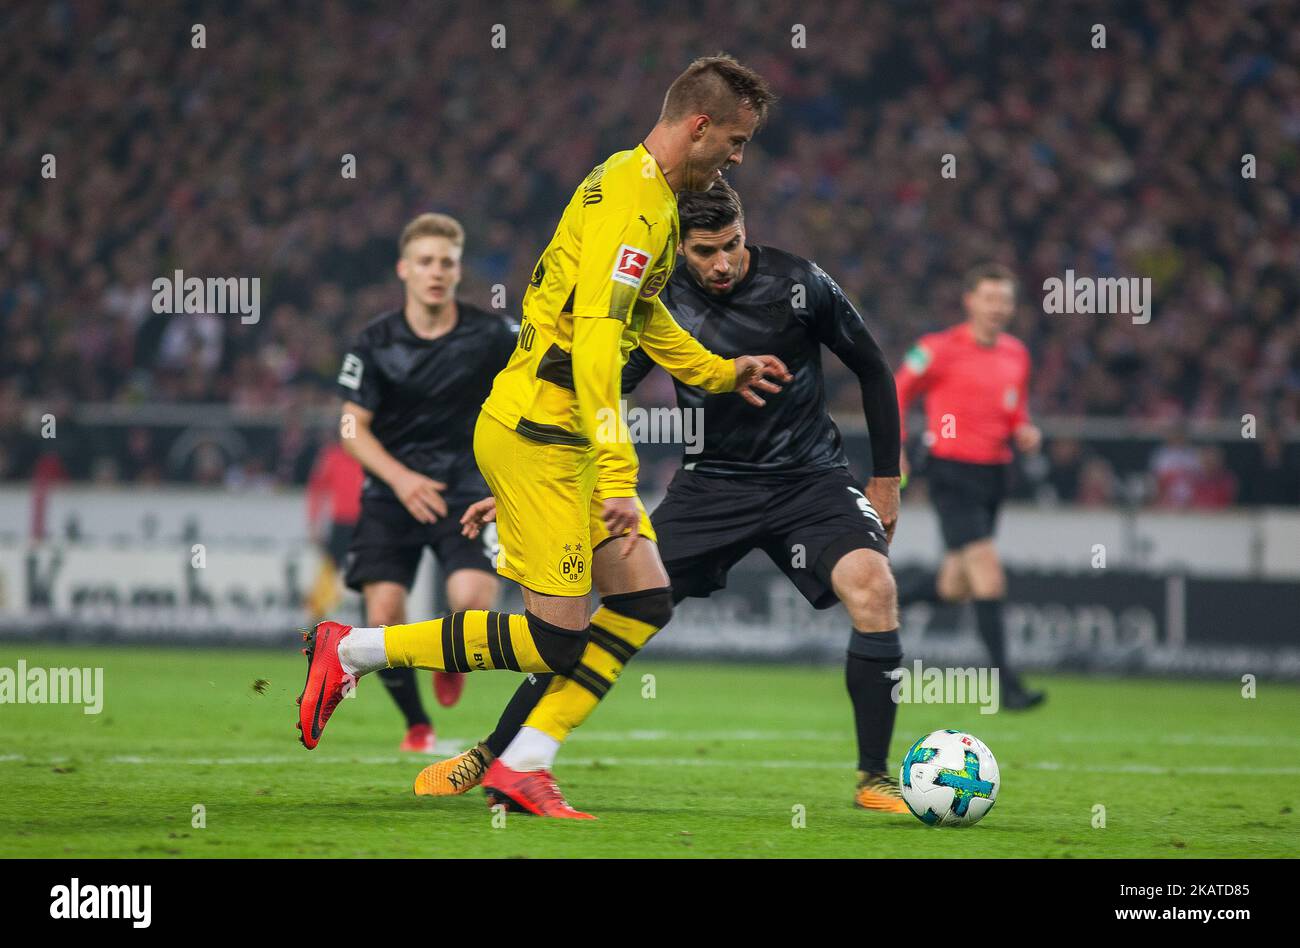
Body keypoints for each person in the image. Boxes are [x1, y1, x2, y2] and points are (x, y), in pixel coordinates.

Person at [297, 55, 787, 818]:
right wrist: (619, 472)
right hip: (543, 434)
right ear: (698, 126)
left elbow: (643, 316)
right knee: (555, 641)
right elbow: (595, 345)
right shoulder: (633, 203)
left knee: (647, 597)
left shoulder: (638, 186)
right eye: (735, 139)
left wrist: (721, 373)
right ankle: (354, 648)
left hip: (557, 434)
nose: (737, 157)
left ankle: (522, 761)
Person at [423, 179, 910, 814]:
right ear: (680, 248)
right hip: (710, 486)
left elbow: (873, 367)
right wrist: (532, 478)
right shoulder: (659, 298)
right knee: (603, 619)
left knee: (874, 588)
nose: (721, 263)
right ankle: (497, 755)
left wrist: (885, 477)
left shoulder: (803, 282)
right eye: (704, 251)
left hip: (809, 480)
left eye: (731, 245)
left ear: (745, 229)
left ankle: (874, 779)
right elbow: (603, 389)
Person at [327, 212, 518, 752]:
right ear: (404, 269)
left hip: (465, 488)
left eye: (448, 263)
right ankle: (417, 722)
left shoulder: (492, 335)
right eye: (427, 262)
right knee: (382, 617)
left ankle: (449, 657)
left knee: (473, 605)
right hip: (391, 492)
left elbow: (536, 389)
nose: (437, 272)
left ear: (459, 271)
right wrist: (401, 478)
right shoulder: (373, 343)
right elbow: (350, 427)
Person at [893, 263, 1045, 710]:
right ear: (970, 300)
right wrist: (895, 450)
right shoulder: (936, 349)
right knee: (987, 569)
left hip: (995, 473)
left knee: (956, 584)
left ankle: (884, 597)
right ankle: (1008, 685)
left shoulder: (1016, 353)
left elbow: (1015, 409)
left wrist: (1025, 430)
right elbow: (896, 392)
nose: (998, 308)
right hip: (951, 470)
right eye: (990, 298)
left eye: (1005, 300)